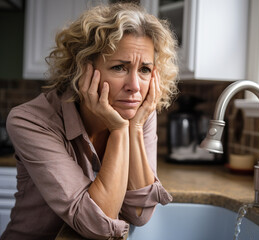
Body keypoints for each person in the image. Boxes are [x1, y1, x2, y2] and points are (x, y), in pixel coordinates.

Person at [1, 2, 178, 239]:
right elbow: (99, 226)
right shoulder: (31, 121)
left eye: (145, 69)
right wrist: (118, 129)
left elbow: (139, 214)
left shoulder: (139, 113)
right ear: (84, 70)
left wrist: (133, 128)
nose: (135, 87)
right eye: (119, 67)